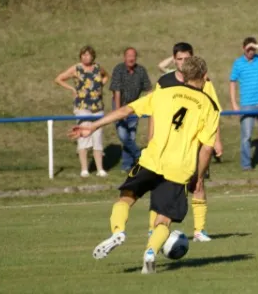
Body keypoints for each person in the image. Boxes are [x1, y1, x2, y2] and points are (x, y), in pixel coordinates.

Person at [70, 56, 220, 274]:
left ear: (184, 75)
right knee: (164, 218)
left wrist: (93, 127)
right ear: (205, 77)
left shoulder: (162, 94)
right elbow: (207, 148)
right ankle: (150, 253)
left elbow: (126, 110)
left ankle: (118, 231)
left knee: (127, 197)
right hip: (179, 169)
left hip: (151, 160)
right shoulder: (210, 106)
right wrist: (198, 176)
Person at [148, 42, 223, 243]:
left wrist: (217, 141)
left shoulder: (205, 83)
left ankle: (199, 230)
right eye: (179, 59)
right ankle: (153, 228)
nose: (183, 63)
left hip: (196, 143)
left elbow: (214, 113)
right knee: (162, 185)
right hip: (169, 144)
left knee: (198, 183)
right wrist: (151, 138)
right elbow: (155, 113)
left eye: (186, 59)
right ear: (174, 60)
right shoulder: (164, 82)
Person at [55, 45, 109, 177]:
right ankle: (84, 169)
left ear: (93, 56)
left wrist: (100, 85)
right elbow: (59, 79)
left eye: (88, 55)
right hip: (82, 107)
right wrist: (72, 89)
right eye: (84, 55)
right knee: (83, 135)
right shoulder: (76, 68)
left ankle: (100, 168)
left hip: (97, 107)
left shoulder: (97, 67)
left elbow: (106, 75)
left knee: (97, 137)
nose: (86, 57)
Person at [229, 37, 258, 171]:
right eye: (248, 49)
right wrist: (234, 103)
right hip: (247, 104)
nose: (251, 52)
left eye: (252, 49)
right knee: (246, 137)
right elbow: (232, 82)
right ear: (243, 48)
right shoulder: (238, 63)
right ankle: (246, 165)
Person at [110, 47, 152, 172]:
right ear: (124, 57)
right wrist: (118, 111)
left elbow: (148, 89)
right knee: (123, 135)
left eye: (133, 56)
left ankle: (127, 165)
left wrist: (152, 105)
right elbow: (116, 91)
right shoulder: (119, 69)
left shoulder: (141, 70)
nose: (131, 58)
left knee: (132, 136)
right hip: (120, 104)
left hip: (135, 106)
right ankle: (139, 155)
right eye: (129, 56)